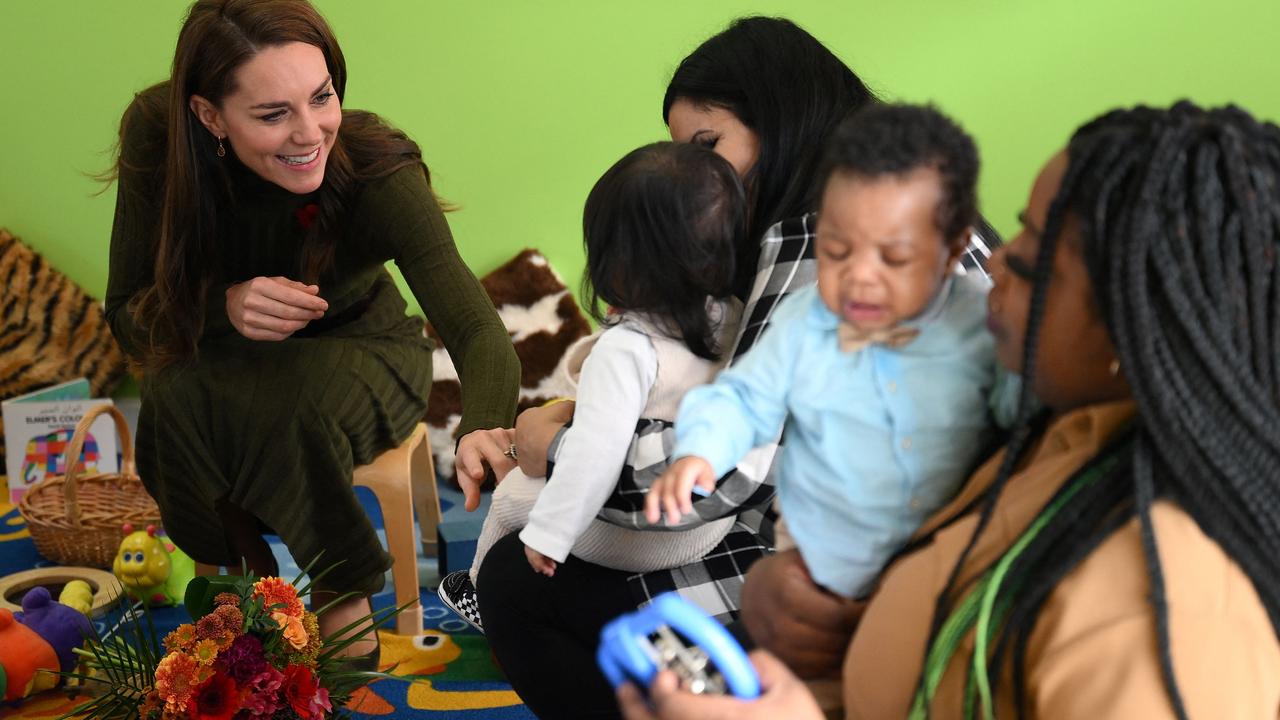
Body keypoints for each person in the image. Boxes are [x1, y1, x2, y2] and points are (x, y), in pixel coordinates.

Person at [618, 101, 1280, 719]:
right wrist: (777, 601)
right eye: (1021, 226)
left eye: (1042, 245)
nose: (1009, 254)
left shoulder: (1169, 606)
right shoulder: (1050, 440)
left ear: (1142, 317)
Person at [474, 16, 1001, 719]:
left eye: (709, 144)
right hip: (878, 544)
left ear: (780, 120)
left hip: (873, 580)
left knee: (520, 579)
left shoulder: (825, 247)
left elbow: (718, 476)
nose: (700, 174)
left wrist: (556, 447)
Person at [104, 0, 520, 665]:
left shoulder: (377, 171)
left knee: (285, 404)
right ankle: (233, 586)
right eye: (273, 114)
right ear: (210, 116)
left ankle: (341, 593)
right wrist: (223, 306)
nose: (310, 134)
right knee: (173, 393)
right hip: (228, 350)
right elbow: (125, 311)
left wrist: (483, 425)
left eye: (321, 97)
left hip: (367, 349)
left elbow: (473, 325)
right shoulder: (160, 137)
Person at [648, 104, 1015, 601]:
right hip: (820, 544)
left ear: (950, 253)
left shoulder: (979, 326)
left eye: (894, 257)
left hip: (939, 549)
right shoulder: (808, 318)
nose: (860, 276)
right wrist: (703, 448)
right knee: (775, 606)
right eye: (838, 251)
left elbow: (1025, 417)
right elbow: (746, 396)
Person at [440, 142, 747, 629]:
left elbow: (594, 454)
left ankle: (477, 595)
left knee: (511, 494)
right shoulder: (734, 316)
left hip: (638, 539)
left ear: (615, 261)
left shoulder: (626, 350)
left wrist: (549, 535)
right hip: (710, 524)